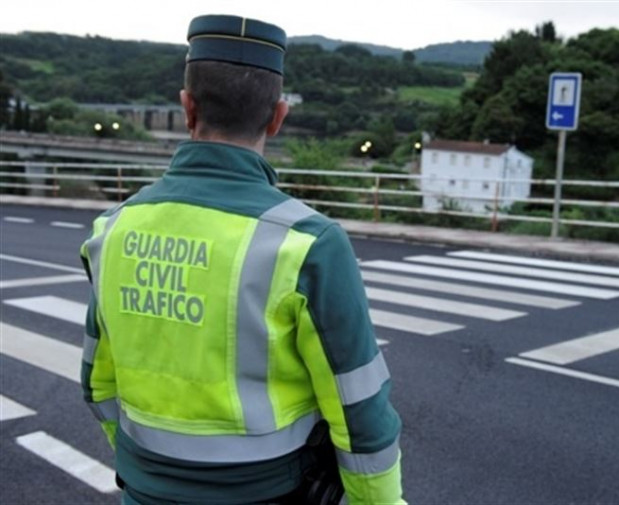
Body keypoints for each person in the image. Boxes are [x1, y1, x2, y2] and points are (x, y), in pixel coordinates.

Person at [79, 14, 404, 505]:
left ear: (187, 108)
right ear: (278, 116)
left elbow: (97, 382)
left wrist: (150, 470)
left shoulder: (113, 228)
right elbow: (359, 409)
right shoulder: (308, 242)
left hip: (143, 491)